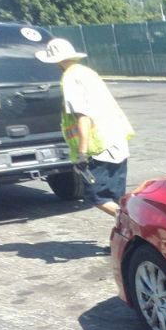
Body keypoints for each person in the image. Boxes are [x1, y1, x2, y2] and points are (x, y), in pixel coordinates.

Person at [35, 38, 134, 217]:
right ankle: (125, 240)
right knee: (117, 197)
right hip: (117, 140)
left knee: (98, 197)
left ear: (56, 60)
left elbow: (83, 117)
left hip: (100, 147)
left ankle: (134, 224)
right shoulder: (87, 72)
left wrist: (81, 153)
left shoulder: (70, 79)